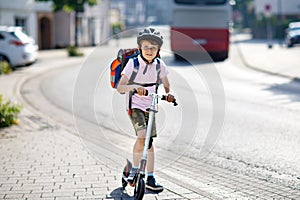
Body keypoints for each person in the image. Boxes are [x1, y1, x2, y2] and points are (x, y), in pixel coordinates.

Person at [117, 27, 174, 192]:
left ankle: (150, 176)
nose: (150, 50)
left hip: (152, 107)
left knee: (148, 142)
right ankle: (135, 170)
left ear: (159, 50)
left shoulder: (159, 65)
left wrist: (169, 95)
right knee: (142, 137)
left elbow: (167, 86)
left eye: (153, 47)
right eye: (146, 47)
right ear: (140, 48)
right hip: (135, 105)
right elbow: (120, 88)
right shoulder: (132, 63)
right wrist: (135, 87)